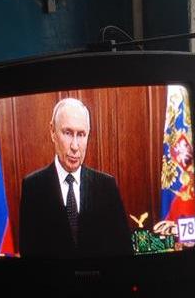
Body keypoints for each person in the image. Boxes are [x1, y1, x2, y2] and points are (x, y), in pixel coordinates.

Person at [19, 98, 131, 258]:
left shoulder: (106, 186)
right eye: (68, 133)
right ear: (52, 132)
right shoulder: (33, 187)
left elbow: (124, 252)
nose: (75, 146)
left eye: (81, 135)